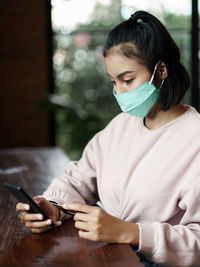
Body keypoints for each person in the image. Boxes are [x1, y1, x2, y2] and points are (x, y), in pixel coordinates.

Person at [16, 10, 200, 267]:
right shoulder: (120, 127)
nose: (119, 92)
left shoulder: (194, 140)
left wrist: (132, 233)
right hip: (111, 257)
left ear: (161, 70)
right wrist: (51, 207)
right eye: (114, 82)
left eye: (127, 80)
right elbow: (79, 179)